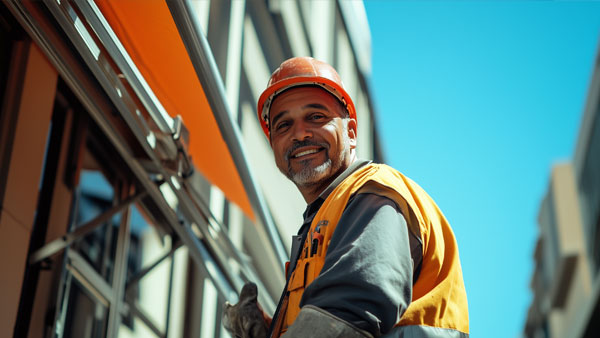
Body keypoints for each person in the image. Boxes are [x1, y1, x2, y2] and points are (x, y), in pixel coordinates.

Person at [234, 56, 469, 338]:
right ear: (273, 144)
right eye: (283, 125)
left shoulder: (374, 191)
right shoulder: (326, 214)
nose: (299, 134)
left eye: (316, 117)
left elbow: (346, 316)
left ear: (352, 133)